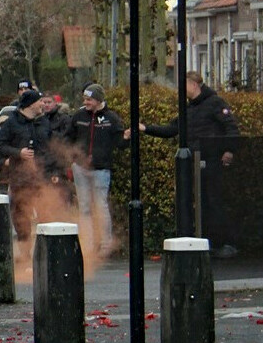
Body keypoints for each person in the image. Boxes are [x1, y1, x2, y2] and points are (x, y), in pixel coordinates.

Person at [134, 71, 242, 258]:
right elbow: (172, 129)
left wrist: (229, 150)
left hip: (213, 161)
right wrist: (146, 129)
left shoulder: (215, 103)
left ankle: (227, 243)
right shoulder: (189, 109)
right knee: (202, 204)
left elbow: (231, 127)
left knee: (214, 202)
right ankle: (208, 242)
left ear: (194, 84)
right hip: (196, 163)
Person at [0, 90, 71, 241]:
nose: (43, 104)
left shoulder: (43, 122)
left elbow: (51, 148)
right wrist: (18, 152)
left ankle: (45, 249)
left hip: (43, 176)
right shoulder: (11, 123)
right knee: (21, 214)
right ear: (30, 104)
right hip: (20, 178)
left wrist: (55, 171)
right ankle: (24, 249)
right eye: (39, 101)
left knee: (46, 213)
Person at [67, 84, 127, 257]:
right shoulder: (79, 116)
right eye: (85, 99)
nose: (85, 102)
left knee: (101, 206)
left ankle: (105, 244)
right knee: (84, 206)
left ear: (99, 100)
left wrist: (127, 137)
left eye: (89, 99)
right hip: (80, 168)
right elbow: (69, 137)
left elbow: (120, 143)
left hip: (101, 170)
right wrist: (71, 158)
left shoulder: (111, 118)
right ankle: (87, 242)